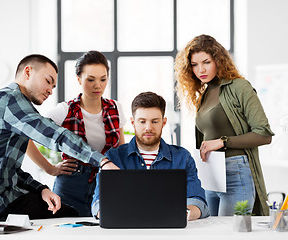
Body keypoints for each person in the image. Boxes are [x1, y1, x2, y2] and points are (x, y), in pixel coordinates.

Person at [0, 54, 117, 222]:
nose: (50, 90)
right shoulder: (11, 101)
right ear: (28, 72)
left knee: (58, 207)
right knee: (70, 217)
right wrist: (102, 161)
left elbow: (6, 170)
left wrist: (41, 189)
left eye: (54, 86)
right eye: (48, 81)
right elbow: (56, 135)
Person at [174, 34, 274, 216]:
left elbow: (264, 134)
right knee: (210, 231)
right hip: (211, 173)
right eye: (194, 65)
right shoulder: (204, 94)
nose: (200, 69)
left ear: (218, 60)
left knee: (229, 232)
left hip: (236, 172)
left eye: (206, 62)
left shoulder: (239, 87)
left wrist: (223, 142)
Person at [27, 50, 126, 216]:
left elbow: (121, 149)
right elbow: (26, 134)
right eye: (91, 79)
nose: (98, 85)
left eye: (103, 79)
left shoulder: (116, 108)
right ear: (79, 79)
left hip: (106, 185)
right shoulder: (64, 110)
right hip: (70, 185)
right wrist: (50, 168)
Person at [92, 92, 210, 220]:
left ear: (163, 122)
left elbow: (198, 201)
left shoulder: (182, 157)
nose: (148, 128)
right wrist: (113, 213)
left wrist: (185, 214)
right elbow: (98, 203)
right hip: (126, 228)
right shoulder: (114, 158)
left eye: (155, 121)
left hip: (170, 229)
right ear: (133, 122)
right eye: (142, 121)